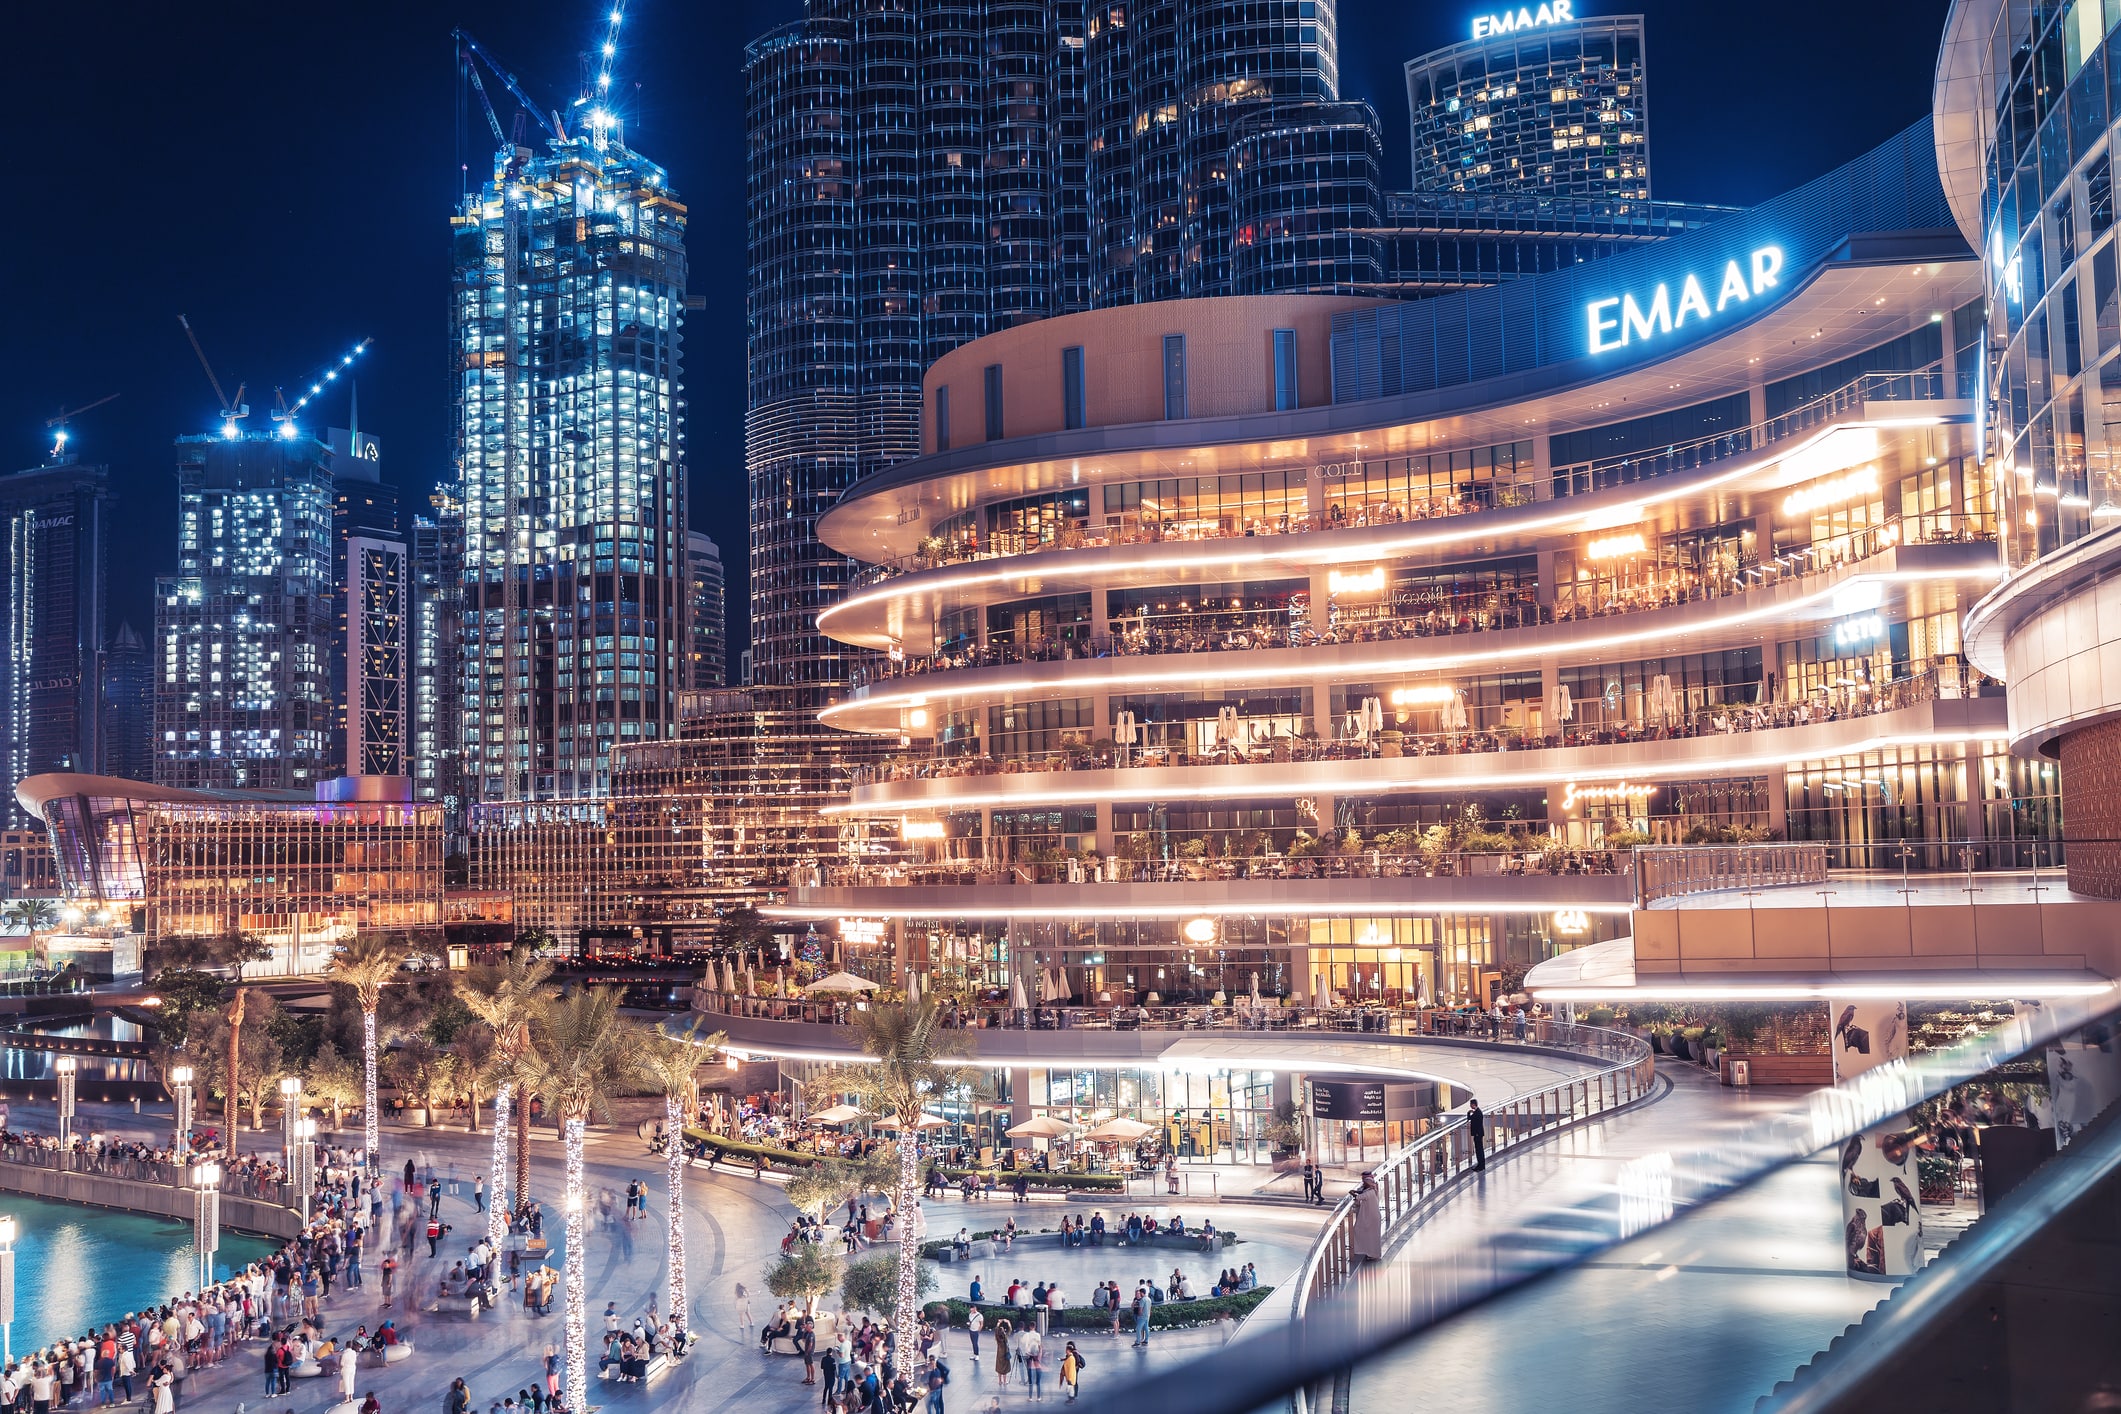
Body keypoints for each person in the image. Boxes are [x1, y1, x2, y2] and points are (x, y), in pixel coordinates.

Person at [1467, 1098, 1487, 1171]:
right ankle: (1481, 1165)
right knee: (1479, 1150)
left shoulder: (1477, 1113)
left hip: (1477, 1134)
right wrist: (1470, 1113)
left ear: (1473, 1104)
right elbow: (1470, 1118)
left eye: (1470, 1104)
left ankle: (1480, 1166)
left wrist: (1468, 1113)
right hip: (1478, 1134)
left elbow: (1470, 1118)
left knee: (1479, 1150)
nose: (1470, 1106)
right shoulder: (1477, 1112)